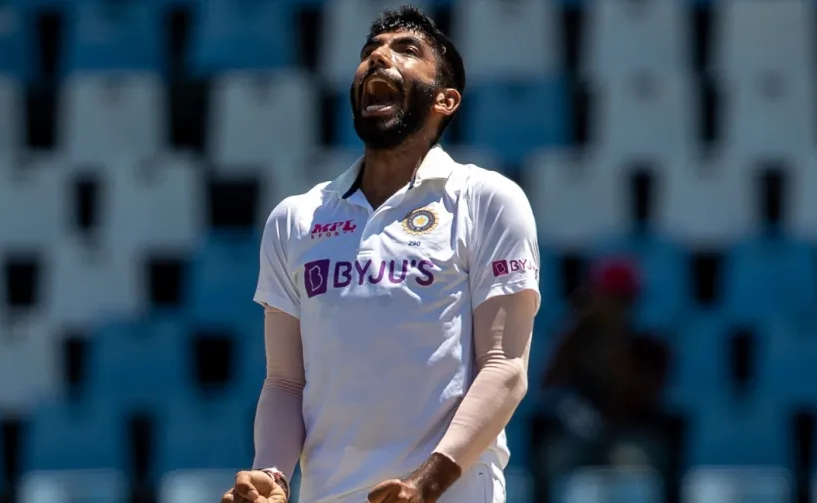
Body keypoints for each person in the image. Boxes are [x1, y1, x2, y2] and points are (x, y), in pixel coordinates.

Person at [221, 6, 540, 503]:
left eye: (405, 50)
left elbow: (504, 367)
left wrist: (426, 484)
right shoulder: (295, 218)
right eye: (370, 50)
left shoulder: (485, 200)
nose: (378, 57)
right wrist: (272, 476)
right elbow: (285, 383)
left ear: (445, 100)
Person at [539, 258, 671, 495]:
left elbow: (642, 400)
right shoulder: (576, 339)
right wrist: (576, 329)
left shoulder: (649, 347)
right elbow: (549, 386)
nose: (609, 307)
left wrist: (617, 344)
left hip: (630, 434)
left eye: (619, 300)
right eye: (604, 298)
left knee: (635, 469)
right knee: (554, 460)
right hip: (577, 436)